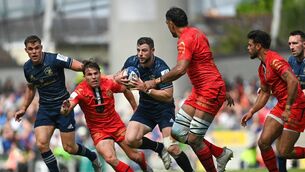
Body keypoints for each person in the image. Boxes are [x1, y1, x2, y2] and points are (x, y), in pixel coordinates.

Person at [141, 7, 234, 172]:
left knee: (195, 140)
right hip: (202, 89)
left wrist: (156, 81)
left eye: (166, 24)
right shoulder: (198, 33)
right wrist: (221, 87)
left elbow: (180, 69)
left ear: (171, 24)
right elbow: (208, 62)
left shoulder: (185, 39)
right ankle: (220, 153)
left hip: (209, 90)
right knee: (177, 132)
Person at [14, 35, 101, 172]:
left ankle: (91, 155)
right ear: (26, 51)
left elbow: (78, 66)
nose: (34, 51)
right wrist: (24, 107)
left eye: (37, 48)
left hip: (64, 107)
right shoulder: (27, 68)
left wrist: (92, 72)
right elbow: (31, 88)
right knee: (42, 144)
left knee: (69, 148)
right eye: (31, 49)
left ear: (41, 48)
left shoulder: (54, 59)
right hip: (45, 109)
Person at [116, 37, 194, 171]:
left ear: (152, 51)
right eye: (138, 50)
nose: (140, 54)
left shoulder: (161, 68)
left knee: (172, 147)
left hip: (163, 109)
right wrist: (118, 78)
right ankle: (158, 148)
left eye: (144, 50)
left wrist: (147, 89)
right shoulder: (132, 61)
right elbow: (119, 75)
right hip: (145, 108)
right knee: (130, 139)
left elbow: (168, 96)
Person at [60, 60, 152, 172]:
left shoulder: (108, 82)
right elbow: (69, 105)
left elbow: (125, 90)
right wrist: (65, 108)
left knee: (135, 156)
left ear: (100, 73)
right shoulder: (80, 90)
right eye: (89, 74)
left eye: (96, 73)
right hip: (98, 131)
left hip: (117, 125)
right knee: (110, 158)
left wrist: (135, 109)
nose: (93, 77)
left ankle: (145, 165)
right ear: (85, 76)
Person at [241, 30, 305, 171]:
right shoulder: (261, 68)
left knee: (283, 152)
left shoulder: (274, 60)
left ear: (258, 46)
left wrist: (288, 108)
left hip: (295, 104)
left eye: (250, 45)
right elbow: (264, 93)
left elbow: (293, 82)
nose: (248, 48)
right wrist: (252, 111)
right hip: (283, 104)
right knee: (263, 142)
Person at [277, 30, 305, 171]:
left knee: (282, 149)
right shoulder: (291, 61)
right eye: (289, 44)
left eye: (295, 43)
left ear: (304, 44)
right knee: (280, 146)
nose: (291, 46)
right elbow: (284, 83)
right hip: (298, 106)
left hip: (300, 105)